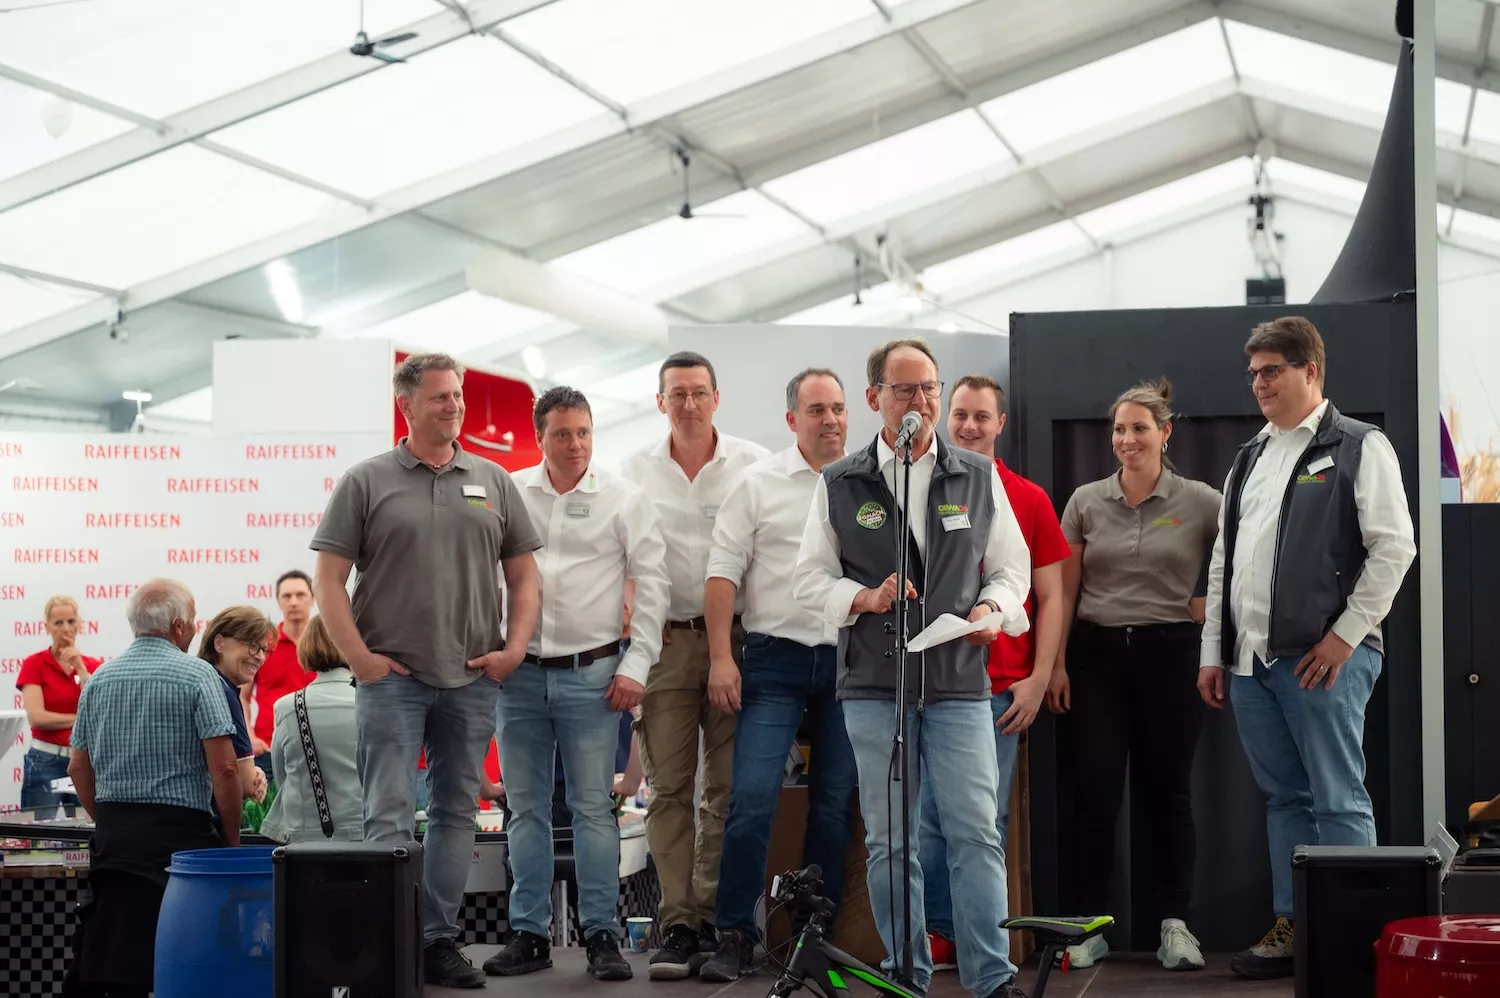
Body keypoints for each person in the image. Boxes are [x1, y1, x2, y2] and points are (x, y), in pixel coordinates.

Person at [793, 338, 1033, 998]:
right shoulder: (841, 482)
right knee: (890, 843)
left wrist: (993, 607)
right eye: (904, 390)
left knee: (976, 834)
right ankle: (907, 976)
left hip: (959, 685)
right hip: (876, 686)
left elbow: (1012, 569)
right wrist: (863, 598)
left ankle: (992, 980)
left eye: (929, 387)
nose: (920, 401)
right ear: (875, 398)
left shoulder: (977, 475)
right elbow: (808, 580)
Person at [311, 351, 542, 989]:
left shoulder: (493, 480)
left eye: (458, 395)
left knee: (454, 814)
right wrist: (359, 658)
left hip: (472, 678)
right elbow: (328, 579)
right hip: (393, 681)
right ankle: (388, 944)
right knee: (387, 815)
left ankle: (437, 940)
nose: (455, 406)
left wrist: (514, 649)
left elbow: (524, 576)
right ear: (406, 405)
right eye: (441, 397)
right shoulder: (365, 481)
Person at [1198, 317, 1415, 981]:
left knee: (1338, 799)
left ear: (1310, 370)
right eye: (1254, 374)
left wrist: (1345, 636)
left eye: (1272, 371)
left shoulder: (1358, 445)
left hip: (1323, 660)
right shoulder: (1249, 456)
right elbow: (1224, 559)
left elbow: (1395, 547)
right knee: (1285, 800)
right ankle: (1296, 928)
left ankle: (1353, 941)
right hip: (1252, 665)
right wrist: (1214, 650)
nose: (1259, 384)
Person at [483, 386, 669, 983]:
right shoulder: (508, 492)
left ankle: (601, 936)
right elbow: (482, 574)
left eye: (584, 432)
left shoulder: (623, 497)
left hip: (595, 676)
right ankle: (529, 934)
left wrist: (637, 666)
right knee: (524, 810)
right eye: (562, 434)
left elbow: (654, 584)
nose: (575, 445)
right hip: (518, 676)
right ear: (539, 436)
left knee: (594, 810)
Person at [1048, 378, 1222, 971]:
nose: (1127, 439)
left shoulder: (1200, 500)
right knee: (1094, 795)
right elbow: (1064, 593)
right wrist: (1056, 665)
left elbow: (1238, 563)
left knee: (1167, 794)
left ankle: (1174, 925)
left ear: (1165, 433)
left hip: (1171, 656)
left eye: (1139, 428)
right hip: (1096, 659)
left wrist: (1209, 608)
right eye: (1119, 429)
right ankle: (1090, 925)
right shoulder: (1085, 501)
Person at [700, 368, 859, 983]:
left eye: (838, 408)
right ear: (792, 419)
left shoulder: (868, 485)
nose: (830, 420)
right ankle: (735, 935)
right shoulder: (757, 484)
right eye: (817, 409)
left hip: (848, 662)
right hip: (773, 660)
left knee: (833, 807)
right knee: (751, 800)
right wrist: (721, 657)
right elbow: (722, 574)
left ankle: (811, 942)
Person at [620, 351, 770, 979]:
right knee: (667, 790)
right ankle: (678, 923)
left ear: (716, 397)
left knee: (726, 790)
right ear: (660, 402)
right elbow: (618, 555)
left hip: (737, 642)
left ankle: (713, 917)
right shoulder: (633, 471)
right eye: (676, 393)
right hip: (665, 643)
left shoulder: (754, 464)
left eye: (698, 392)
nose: (688, 404)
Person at [919, 375, 1070, 973]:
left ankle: (981, 942)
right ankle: (940, 933)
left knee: (985, 821)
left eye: (982, 416)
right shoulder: (922, 486)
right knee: (930, 819)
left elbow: (1052, 597)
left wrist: (1039, 676)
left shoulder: (1028, 497)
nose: (969, 426)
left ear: (1001, 423)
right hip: (934, 684)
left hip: (1002, 687)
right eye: (960, 414)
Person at [63, 579, 242, 997]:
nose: (195, 627)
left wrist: (108, 820)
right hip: (182, 844)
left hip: (115, 843)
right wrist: (231, 842)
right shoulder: (199, 675)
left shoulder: (99, 679)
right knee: (187, 964)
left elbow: (77, 766)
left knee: (119, 961)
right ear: (178, 625)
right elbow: (225, 769)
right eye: (193, 619)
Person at [260, 615, 362, 844]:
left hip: (304, 836)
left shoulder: (287, 707)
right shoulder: (372, 704)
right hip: (367, 832)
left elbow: (282, 776)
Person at [17, 594, 101, 818]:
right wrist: (79, 720)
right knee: (40, 828)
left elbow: (98, 711)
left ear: (79, 624)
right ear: (47, 627)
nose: (66, 629)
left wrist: (81, 669)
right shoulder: (35, 663)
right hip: (45, 759)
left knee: (87, 828)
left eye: (71, 621)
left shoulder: (93, 666)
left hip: (84, 759)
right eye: (58, 623)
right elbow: (37, 718)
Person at [197, 606, 275, 812]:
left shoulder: (201, 682)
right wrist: (256, 774)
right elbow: (247, 783)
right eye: (252, 646)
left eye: (264, 650)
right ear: (219, 643)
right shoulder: (224, 692)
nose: (260, 657)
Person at [242, 569, 316, 784]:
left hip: (318, 747)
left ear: (313, 599)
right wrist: (249, 736)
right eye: (287, 596)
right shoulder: (263, 644)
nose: (293, 602)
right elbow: (242, 695)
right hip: (269, 749)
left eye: (300, 595)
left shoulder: (326, 643)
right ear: (278, 601)